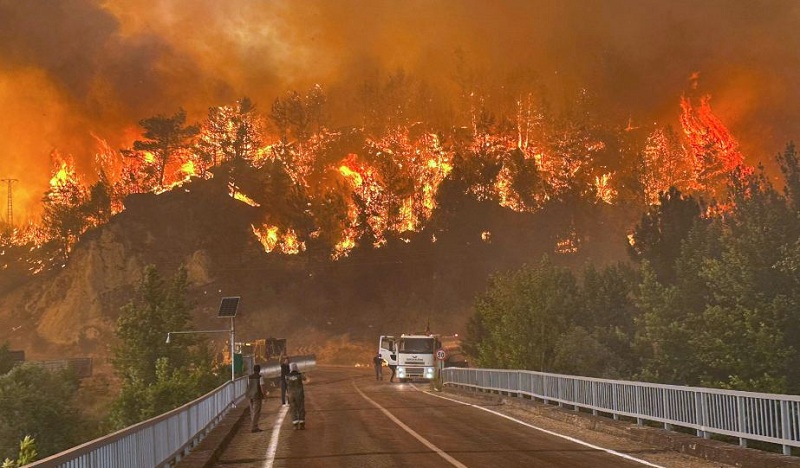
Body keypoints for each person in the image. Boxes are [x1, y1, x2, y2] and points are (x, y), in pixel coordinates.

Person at [285, 362, 306, 430]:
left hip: (291, 395)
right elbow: (305, 378)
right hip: (299, 394)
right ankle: (302, 424)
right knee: (301, 408)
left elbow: (286, 383)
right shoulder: (300, 375)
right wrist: (299, 371)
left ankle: (295, 425)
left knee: (293, 409)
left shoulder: (287, 376)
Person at [246, 364, 265, 433]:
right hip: (257, 396)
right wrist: (264, 395)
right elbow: (262, 387)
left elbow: (248, 386)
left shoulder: (249, 377)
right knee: (256, 411)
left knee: (252, 411)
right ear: (259, 370)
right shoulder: (260, 377)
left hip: (249, 395)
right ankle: (254, 427)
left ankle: (255, 426)